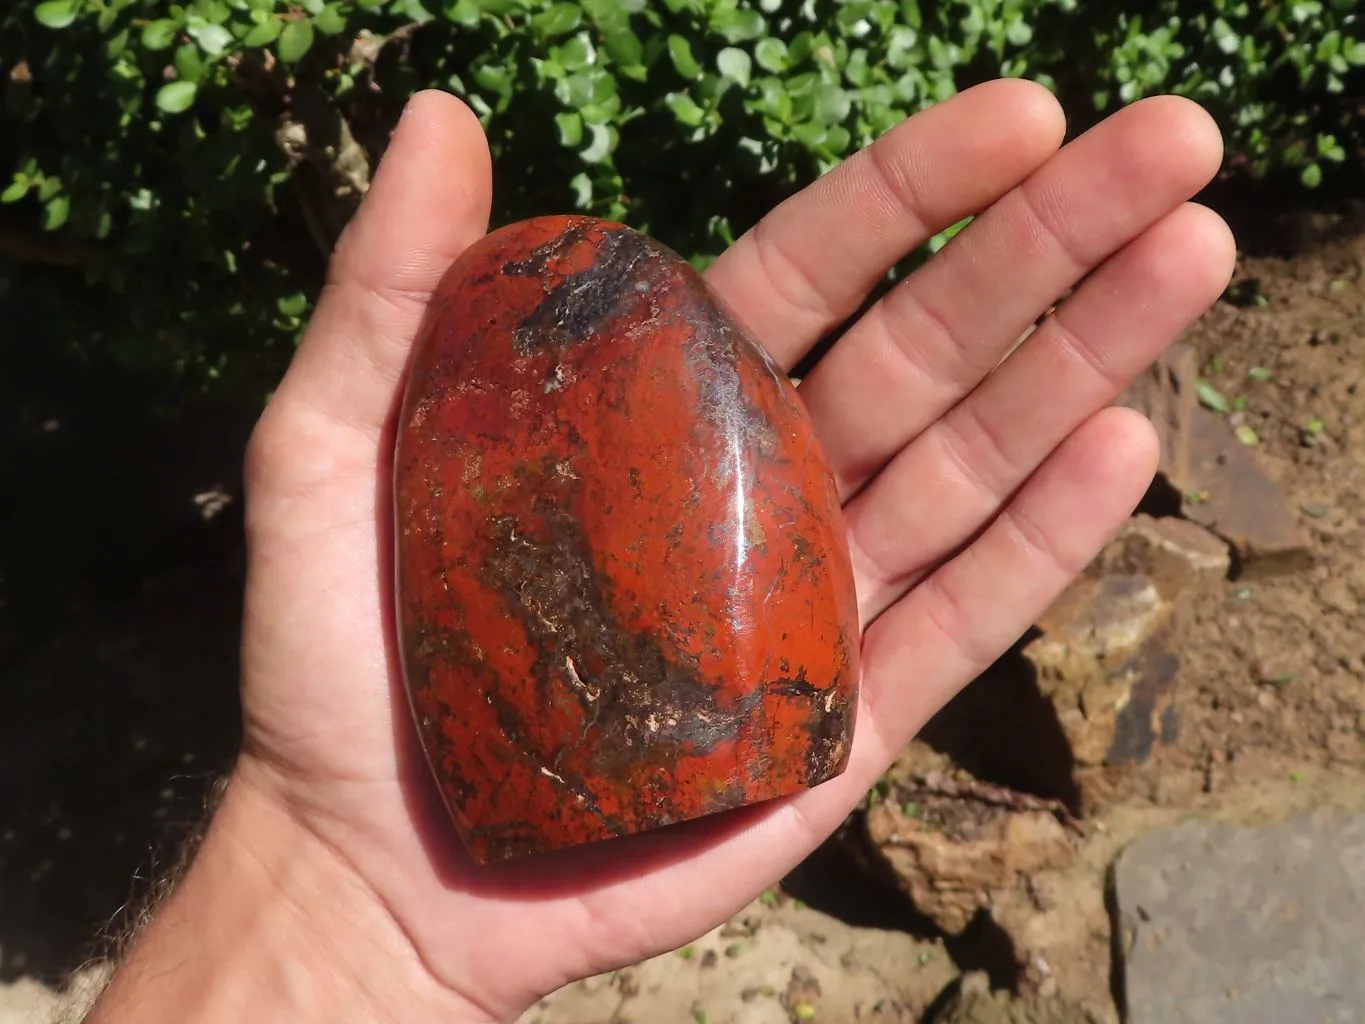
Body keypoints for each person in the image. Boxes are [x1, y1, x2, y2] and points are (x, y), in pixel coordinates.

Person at [80, 80, 1233, 1023]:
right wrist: (332, 909)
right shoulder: (503, 371)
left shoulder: (559, 351)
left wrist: (319, 930)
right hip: (535, 769)